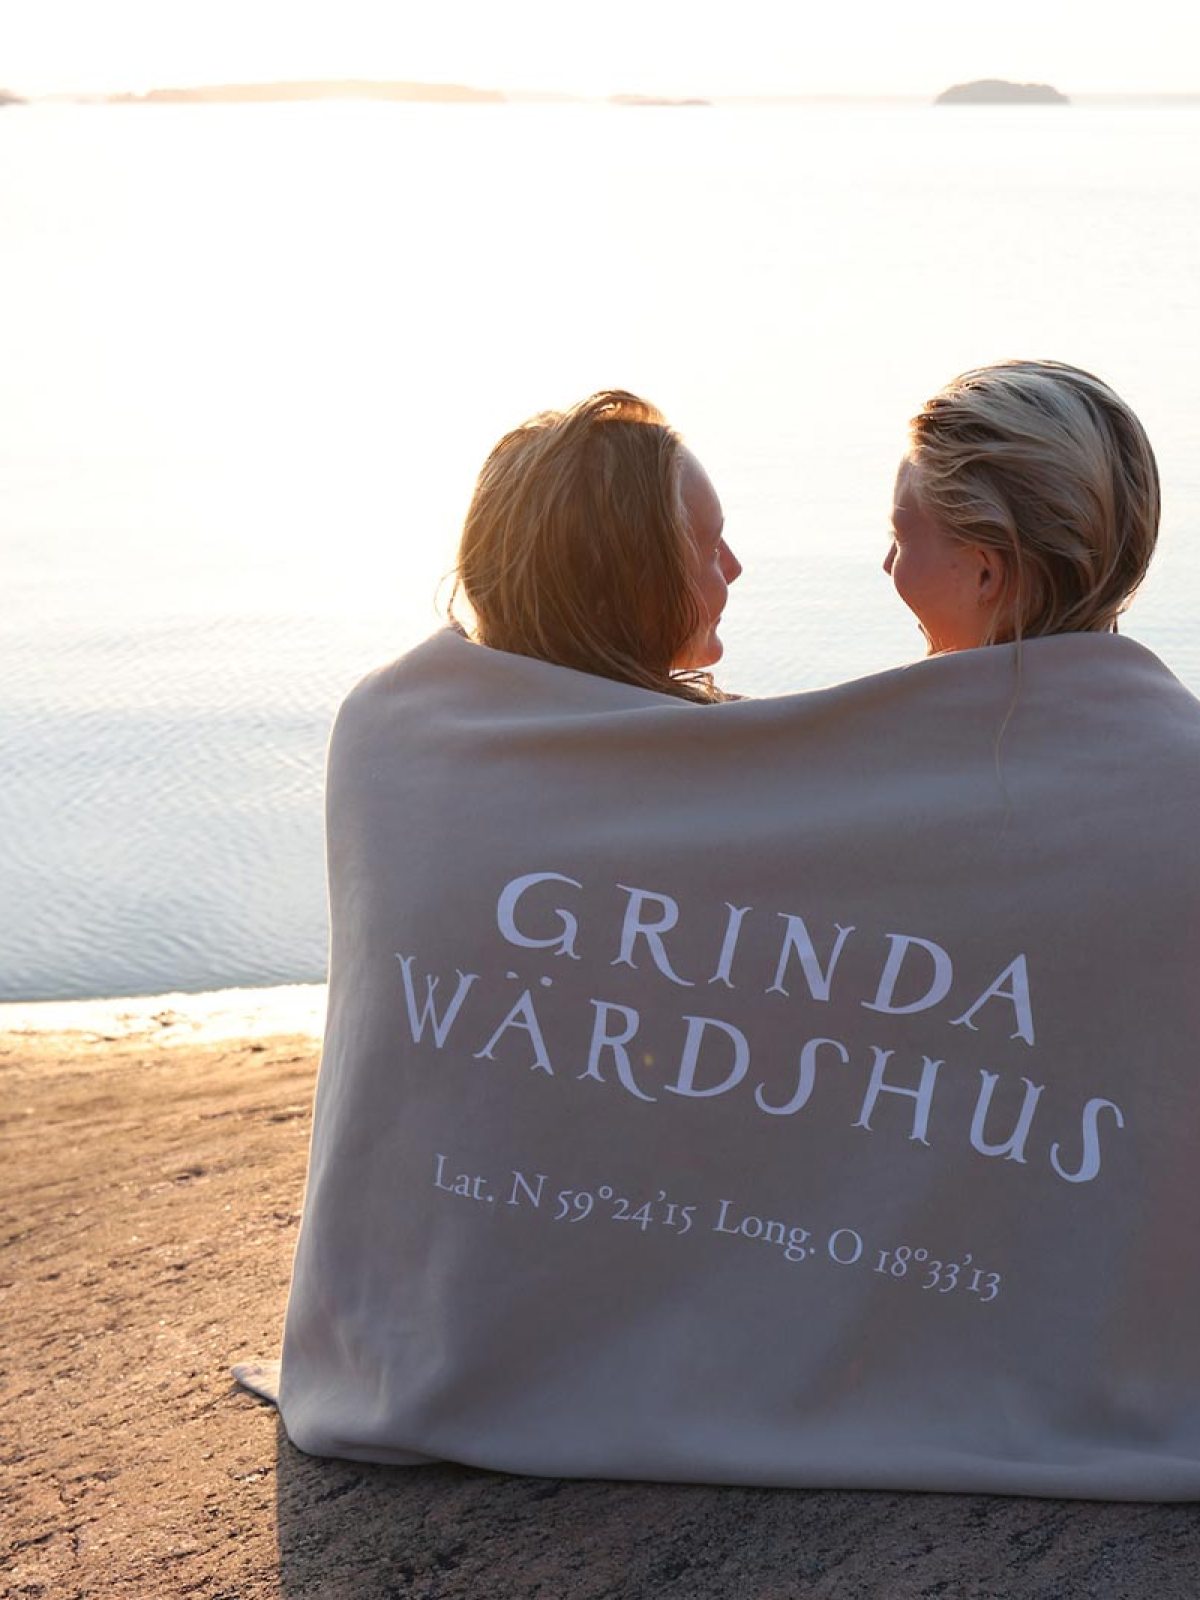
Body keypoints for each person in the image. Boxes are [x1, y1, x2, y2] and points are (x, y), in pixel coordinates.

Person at [273, 364, 1200, 1499]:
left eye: (900, 535)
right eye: (704, 542)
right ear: (619, 568)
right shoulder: (1113, 775)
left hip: (435, 1333)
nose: (741, 568)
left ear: (988, 567)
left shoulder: (408, 737)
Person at [452, 389, 741, 701]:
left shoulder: (434, 708)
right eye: (713, 549)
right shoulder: (704, 732)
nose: (735, 568)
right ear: (614, 592)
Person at [882, 359, 1160, 655]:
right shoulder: (1162, 687)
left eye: (899, 539)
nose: (888, 564)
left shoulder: (889, 690)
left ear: (986, 574)